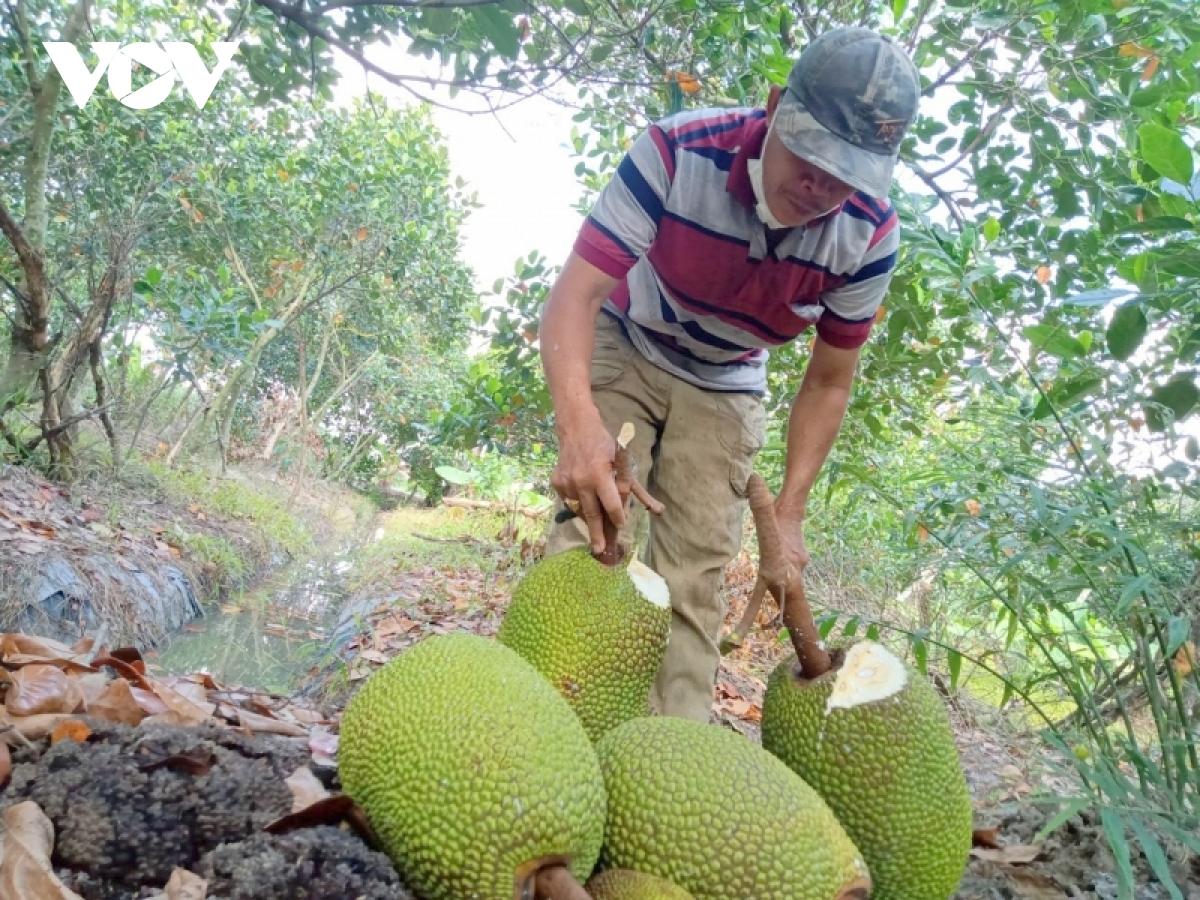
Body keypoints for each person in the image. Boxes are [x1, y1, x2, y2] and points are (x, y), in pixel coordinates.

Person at [537, 26, 922, 722]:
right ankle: (547, 725)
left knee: (694, 574)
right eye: (811, 156)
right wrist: (579, 428)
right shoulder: (677, 151)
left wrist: (793, 511)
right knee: (594, 529)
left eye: (847, 172)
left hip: (729, 378)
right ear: (775, 107)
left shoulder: (868, 234)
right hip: (630, 335)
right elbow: (575, 295)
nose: (821, 185)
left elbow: (830, 379)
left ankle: (671, 755)